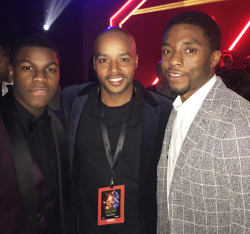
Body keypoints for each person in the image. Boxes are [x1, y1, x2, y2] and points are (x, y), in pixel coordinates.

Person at [61, 26, 172, 234]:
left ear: (136, 61)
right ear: (94, 63)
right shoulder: (72, 101)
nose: (114, 69)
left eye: (123, 59)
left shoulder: (162, 111)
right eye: (104, 60)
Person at [157, 11, 250, 233]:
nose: (173, 61)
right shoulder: (176, 108)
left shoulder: (239, 122)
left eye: (190, 50)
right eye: (168, 50)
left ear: (214, 58)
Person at [0, 34, 75, 234]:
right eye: (28, 67)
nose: (40, 77)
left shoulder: (63, 124)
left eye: (50, 69)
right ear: (11, 73)